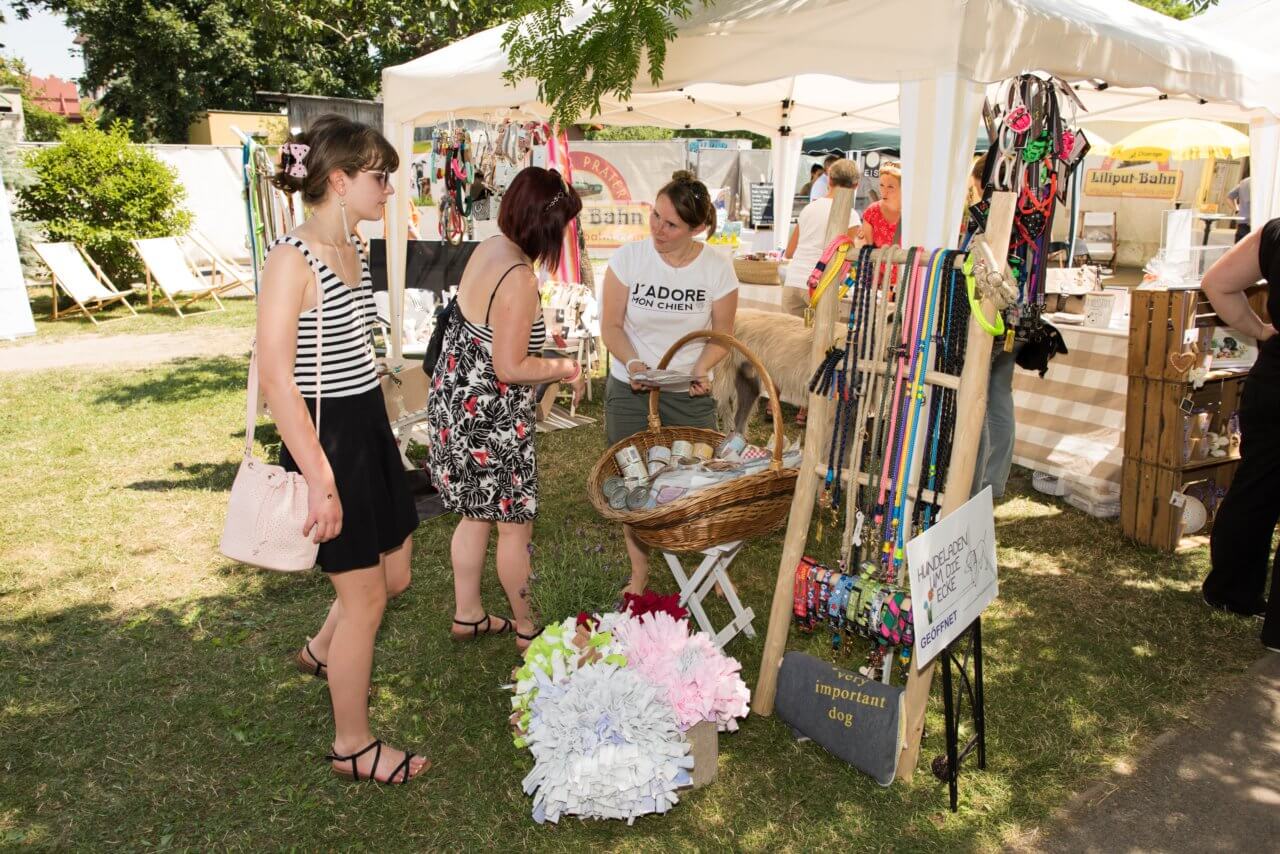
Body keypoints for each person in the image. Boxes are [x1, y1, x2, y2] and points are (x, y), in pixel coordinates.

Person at [259, 115, 427, 784]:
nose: (388, 189)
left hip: (368, 430)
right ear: (338, 180)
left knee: (396, 574)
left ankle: (322, 650)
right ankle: (352, 746)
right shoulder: (291, 257)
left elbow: (348, 351)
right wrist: (321, 480)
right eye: (379, 177)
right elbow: (277, 380)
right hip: (327, 443)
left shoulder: (352, 245)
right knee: (367, 600)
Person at [427, 167, 585, 651]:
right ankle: (527, 627)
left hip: (455, 404)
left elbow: (490, 332)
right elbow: (511, 366)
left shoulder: (491, 248)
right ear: (545, 225)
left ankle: (469, 614)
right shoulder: (520, 278)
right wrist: (565, 367)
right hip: (490, 420)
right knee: (515, 527)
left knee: (473, 513)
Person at [601, 170, 739, 596]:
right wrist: (633, 362)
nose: (658, 229)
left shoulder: (716, 269)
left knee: (702, 476)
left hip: (687, 391)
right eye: (655, 216)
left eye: (671, 224)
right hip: (631, 387)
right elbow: (611, 326)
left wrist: (702, 367)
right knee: (634, 479)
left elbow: (723, 335)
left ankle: (711, 564)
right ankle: (639, 572)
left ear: (695, 229)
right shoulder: (628, 260)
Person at [1200, 219, 1280, 651]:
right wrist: (1261, 331)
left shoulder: (1275, 233)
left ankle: (1231, 591)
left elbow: (1218, 284)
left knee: (1256, 485)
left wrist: (1261, 331)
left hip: (1275, 381)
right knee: (1256, 485)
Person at [782, 159, 862, 425]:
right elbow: (846, 256)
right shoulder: (850, 214)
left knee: (788, 345)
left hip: (795, 280)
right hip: (820, 286)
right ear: (856, 186)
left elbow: (790, 250)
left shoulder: (810, 208)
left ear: (829, 180)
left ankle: (777, 401)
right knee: (821, 348)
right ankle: (806, 407)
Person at [859, 161, 902, 247]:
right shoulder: (872, 212)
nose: (884, 192)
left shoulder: (913, 213)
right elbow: (868, 249)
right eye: (881, 185)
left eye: (890, 187)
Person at [1228, 176, 1252, 243]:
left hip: (1243, 222)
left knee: (1239, 245)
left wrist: (1236, 209)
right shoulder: (1267, 183)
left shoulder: (1244, 182)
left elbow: (1229, 197)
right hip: (1257, 224)